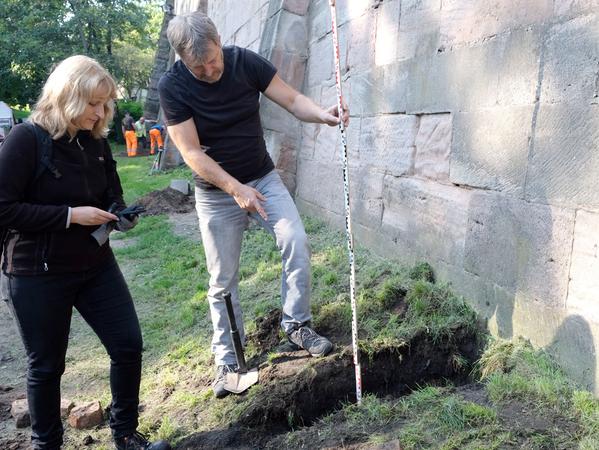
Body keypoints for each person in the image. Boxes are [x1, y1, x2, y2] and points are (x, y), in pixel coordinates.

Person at [158, 12, 349, 399]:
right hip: (216, 192)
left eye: (214, 58)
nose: (211, 69)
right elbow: (191, 152)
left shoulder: (244, 62)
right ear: (182, 60)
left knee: (295, 240)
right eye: (200, 66)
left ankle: (296, 324)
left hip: (263, 178)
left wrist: (323, 116)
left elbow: (293, 99)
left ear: (219, 40)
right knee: (222, 279)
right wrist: (233, 188)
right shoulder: (173, 86)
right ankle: (228, 358)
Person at [0, 55, 170, 450]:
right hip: (36, 271)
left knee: (127, 344)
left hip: (95, 264)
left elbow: (111, 190)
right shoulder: (26, 140)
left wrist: (121, 212)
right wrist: (70, 216)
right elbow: (4, 208)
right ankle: (48, 446)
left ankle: (125, 434)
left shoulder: (93, 140)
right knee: (47, 367)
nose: (100, 113)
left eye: (105, 103)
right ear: (68, 96)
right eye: (93, 103)